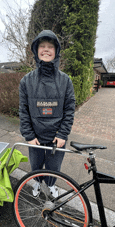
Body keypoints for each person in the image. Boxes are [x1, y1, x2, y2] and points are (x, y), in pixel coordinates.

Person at [19, 30, 75, 197]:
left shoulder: (65, 80)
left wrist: (63, 134)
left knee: (54, 167)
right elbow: (23, 110)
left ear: (56, 51)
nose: (46, 49)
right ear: (36, 51)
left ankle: (51, 185)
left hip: (56, 137)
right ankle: (36, 183)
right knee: (36, 165)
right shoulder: (26, 81)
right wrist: (28, 135)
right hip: (35, 136)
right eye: (42, 46)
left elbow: (69, 109)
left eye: (50, 46)